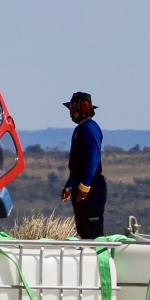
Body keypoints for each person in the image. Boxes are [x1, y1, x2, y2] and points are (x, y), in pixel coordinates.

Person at [60, 91, 107, 239]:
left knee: (93, 231)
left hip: (92, 188)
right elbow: (77, 164)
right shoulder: (79, 130)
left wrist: (85, 186)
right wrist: (70, 185)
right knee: (83, 230)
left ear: (83, 108)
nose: (70, 112)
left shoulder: (90, 128)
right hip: (79, 185)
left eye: (72, 108)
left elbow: (94, 158)